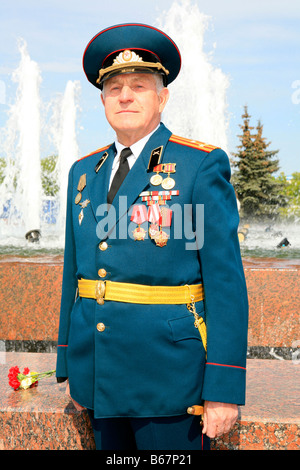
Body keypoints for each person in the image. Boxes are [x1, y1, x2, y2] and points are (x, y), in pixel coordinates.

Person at [56, 23, 248, 451]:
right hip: (98, 374)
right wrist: (69, 361)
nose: (125, 96)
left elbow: (226, 283)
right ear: (103, 100)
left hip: (168, 378)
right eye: (115, 88)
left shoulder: (199, 165)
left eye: (139, 86)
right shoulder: (82, 173)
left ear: (161, 97)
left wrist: (224, 386)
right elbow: (75, 272)